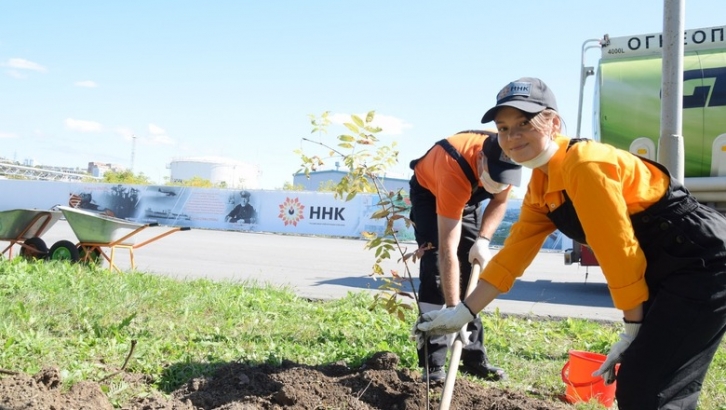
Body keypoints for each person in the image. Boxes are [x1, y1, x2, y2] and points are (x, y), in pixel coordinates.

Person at [415, 77, 726, 408]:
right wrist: (464, 311)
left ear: (553, 123)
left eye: (524, 123)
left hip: (701, 262)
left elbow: (618, 249)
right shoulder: (542, 185)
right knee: (645, 385)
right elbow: (514, 256)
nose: (511, 137)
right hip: (668, 267)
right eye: (503, 128)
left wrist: (632, 326)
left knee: (650, 387)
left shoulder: (584, 164)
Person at [408, 129, 522, 383]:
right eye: (494, 176)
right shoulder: (453, 170)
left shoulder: (510, 152)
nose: (499, 182)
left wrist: (483, 240)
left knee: (472, 271)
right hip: (431, 192)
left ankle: (472, 357)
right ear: (481, 159)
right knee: (436, 271)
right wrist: (452, 314)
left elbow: (499, 201)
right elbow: (447, 251)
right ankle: (433, 363)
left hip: (468, 193)